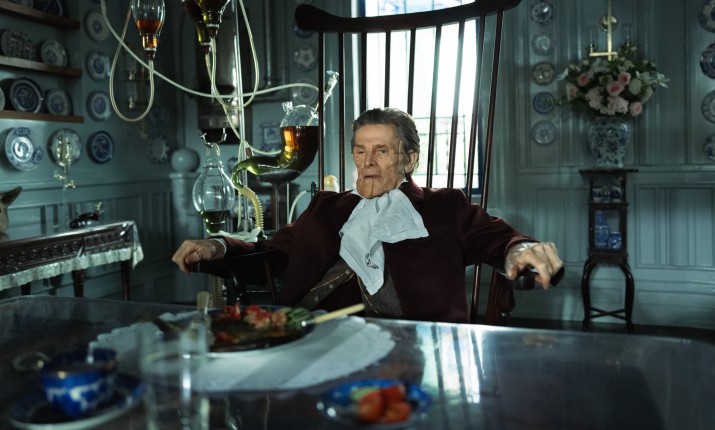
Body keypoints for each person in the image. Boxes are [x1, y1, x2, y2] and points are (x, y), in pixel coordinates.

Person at [173, 107, 563, 323]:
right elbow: (271, 254)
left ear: (409, 159)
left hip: (410, 344)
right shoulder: (327, 207)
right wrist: (219, 246)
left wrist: (520, 250)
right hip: (310, 333)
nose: (368, 161)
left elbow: (498, 240)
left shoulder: (444, 206)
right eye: (360, 150)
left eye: (382, 150)